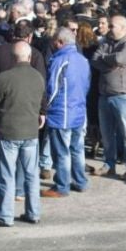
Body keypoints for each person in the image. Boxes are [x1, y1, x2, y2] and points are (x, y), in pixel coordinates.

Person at [0, 40, 46, 226]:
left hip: (8, 131)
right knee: (31, 175)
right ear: (29, 57)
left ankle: (5, 215)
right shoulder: (38, 77)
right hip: (31, 132)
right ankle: (33, 213)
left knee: (7, 175)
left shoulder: (5, 78)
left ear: (13, 57)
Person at [91, 14, 126, 180]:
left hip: (124, 95)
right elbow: (95, 60)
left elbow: (120, 58)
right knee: (107, 134)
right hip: (105, 94)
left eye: (112, 26)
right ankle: (109, 164)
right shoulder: (106, 42)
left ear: (123, 28)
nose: (108, 29)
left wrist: (107, 59)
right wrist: (110, 63)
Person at [44, 26, 90, 197]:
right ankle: (80, 181)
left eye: (54, 41)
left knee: (62, 151)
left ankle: (61, 186)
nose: (53, 45)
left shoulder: (60, 60)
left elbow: (53, 88)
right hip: (78, 110)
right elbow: (86, 85)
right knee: (77, 148)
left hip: (61, 112)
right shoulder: (82, 60)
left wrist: (45, 107)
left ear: (60, 42)